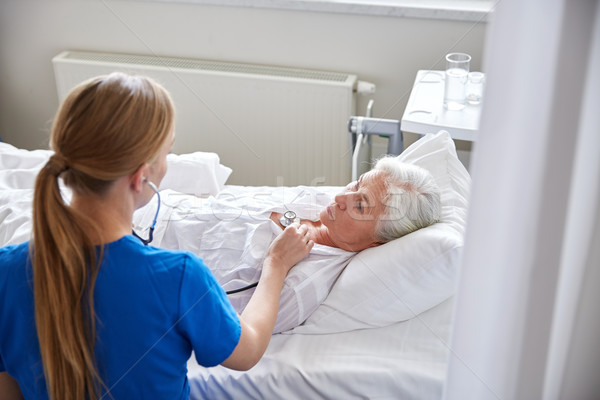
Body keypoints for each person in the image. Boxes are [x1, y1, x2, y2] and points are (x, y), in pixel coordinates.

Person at [0, 73, 313, 400]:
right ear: (140, 177)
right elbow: (246, 352)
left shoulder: (6, 272)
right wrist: (276, 263)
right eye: (166, 153)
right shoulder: (178, 277)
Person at [144, 158, 441, 333]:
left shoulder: (302, 284)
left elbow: (239, 332)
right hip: (159, 199)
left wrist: (277, 261)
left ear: (376, 242)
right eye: (357, 184)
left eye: (360, 205)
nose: (341, 197)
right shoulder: (319, 206)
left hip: (142, 244)